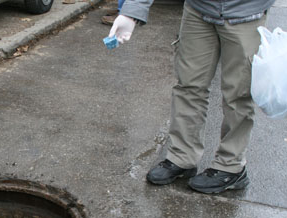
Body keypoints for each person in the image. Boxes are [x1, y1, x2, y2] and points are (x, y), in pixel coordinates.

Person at [108, 0, 275, 193]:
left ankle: (231, 166)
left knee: (238, 94)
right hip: (199, 9)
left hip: (245, 12)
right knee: (189, 86)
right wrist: (132, 11)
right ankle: (182, 157)